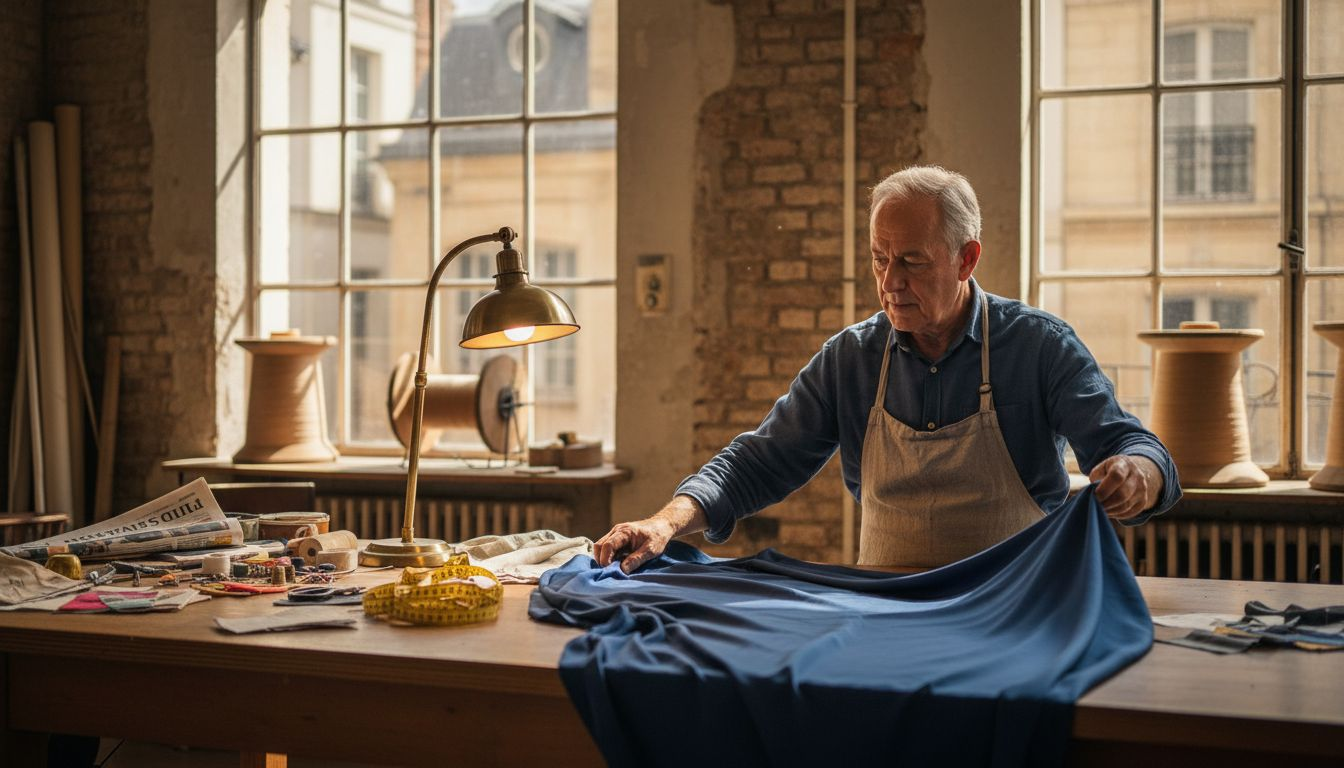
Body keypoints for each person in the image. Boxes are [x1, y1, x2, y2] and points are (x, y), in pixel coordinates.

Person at [596, 165, 1180, 572]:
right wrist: (665, 523)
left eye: (913, 261)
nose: (891, 281)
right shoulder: (851, 359)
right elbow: (756, 462)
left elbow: (1135, 446)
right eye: (879, 258)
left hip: (1014, 602)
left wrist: (1137, 473)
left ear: (967, 258)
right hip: (886, 605)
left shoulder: (1038, 347)